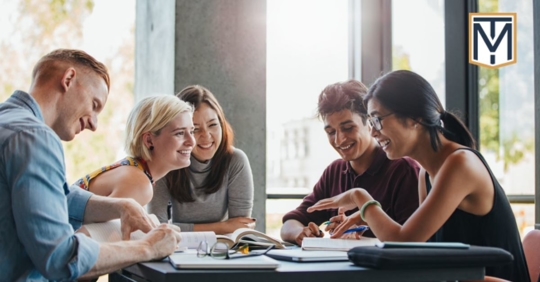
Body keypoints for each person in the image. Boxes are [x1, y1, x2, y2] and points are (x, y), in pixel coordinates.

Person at [307, 70, 529, 281]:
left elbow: (403, 242)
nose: (373, 132)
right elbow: (418, 249)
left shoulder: (460, 164)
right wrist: (367, 217)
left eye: (377, 120)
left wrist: (360, 198)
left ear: (414, 117)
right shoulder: (426, 173)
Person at [0, 49, 181, 281]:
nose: (94, 124)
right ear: (68, 79)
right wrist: (148, 247)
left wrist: (121, 206)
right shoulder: (35, 137)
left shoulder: (9, 123)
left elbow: (50, 197)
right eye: (95, 105)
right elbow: (61, 259)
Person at [280, 79, 420, 246]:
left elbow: (411, 241)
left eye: (347, 128)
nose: (339, 139)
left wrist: (359, 232)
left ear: (370, 123)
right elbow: (291, 222)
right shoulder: (335, 171)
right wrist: (300, 233)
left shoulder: (403, 169)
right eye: (331, 132)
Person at [148, 85, 255, 234]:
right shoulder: (166, 162)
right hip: (178, 249)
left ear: (222, 124)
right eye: (195, 129)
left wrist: (181, 228)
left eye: (213, 125)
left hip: (223, 249)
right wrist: (223, 227)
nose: (206, 136)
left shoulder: (235, 161)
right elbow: (157, 228)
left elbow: (240, 227)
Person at [73, 94, 195, 206]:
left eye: (192, 131)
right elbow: (87, 230)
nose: (192, 142)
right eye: (179, 133)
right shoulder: (138, 184)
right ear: (149, 141)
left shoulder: (135, 171)